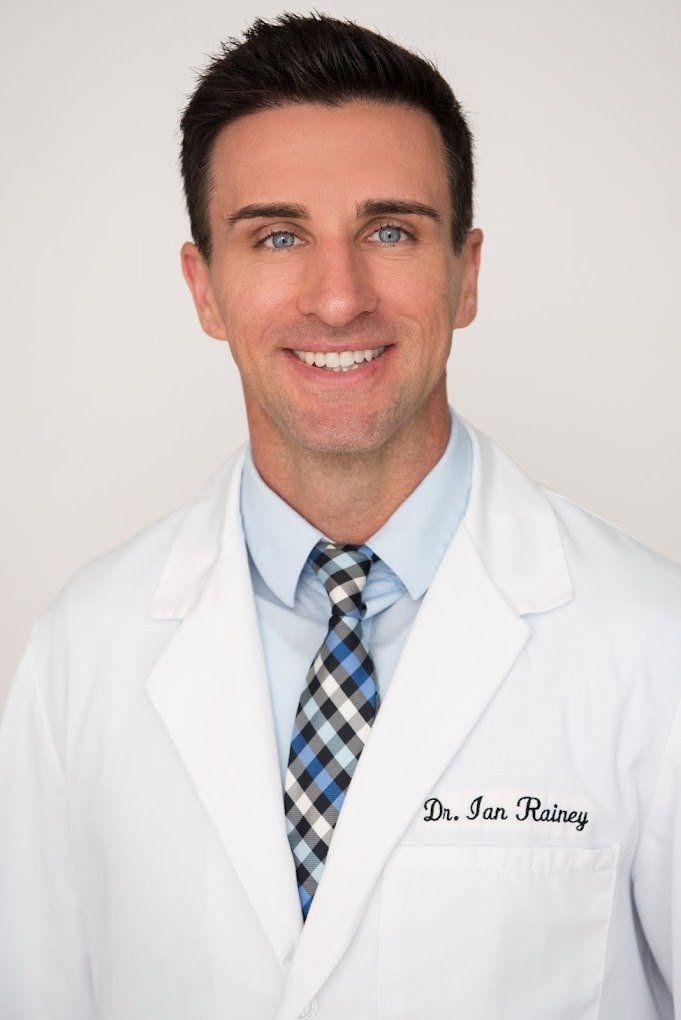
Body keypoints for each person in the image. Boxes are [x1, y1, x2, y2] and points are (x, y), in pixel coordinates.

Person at [1, 11, 679, 1020]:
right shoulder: (82, 655)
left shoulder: (652, 646)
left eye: (391, 231)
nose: (336, 298)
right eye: (277, 237)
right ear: (206, 290)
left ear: (467, 274)